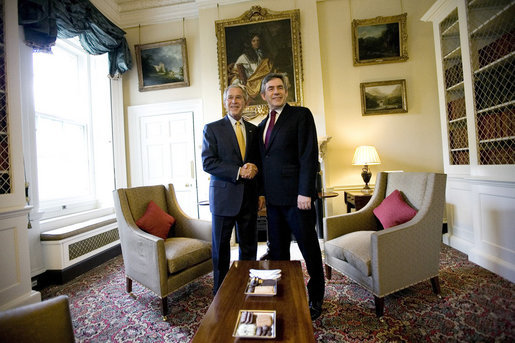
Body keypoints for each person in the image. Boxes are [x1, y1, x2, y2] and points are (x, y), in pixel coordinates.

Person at [257, 73, 325, 320]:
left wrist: (305, 191)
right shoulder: (262, 125)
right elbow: (264, 164)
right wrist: (262, 195)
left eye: (280, 88)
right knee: (278, 253)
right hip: (274, 203)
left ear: (286, 91)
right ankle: (284, 294)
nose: (276, 92)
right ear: (264, 95)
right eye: (271, 89)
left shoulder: (301, 115)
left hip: (298, 200)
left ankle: (316, 297)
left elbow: (309, 155)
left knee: (309, 248)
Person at [202, 84, 260, 294]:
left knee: (249, 248)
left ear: (245, 102)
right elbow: (208, 163)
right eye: (230, 98)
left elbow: (257, 162)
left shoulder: (254, 130)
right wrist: (238, 171)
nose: (234, 101)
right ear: (225, 102)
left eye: (239, 98)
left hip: (249, 198)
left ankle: (247, 288)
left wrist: (255, 169)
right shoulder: (212, 128)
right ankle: (220, 292)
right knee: (221, 249)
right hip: (223, 198)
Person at [229, 33, 273, 103]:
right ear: (250, 43)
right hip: (250, 83)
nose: (256, 43)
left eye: (258, 40)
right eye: (254, 41)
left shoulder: (263, 55)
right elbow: (237, 71)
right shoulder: (244, 57)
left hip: (260, 80)